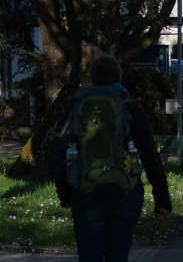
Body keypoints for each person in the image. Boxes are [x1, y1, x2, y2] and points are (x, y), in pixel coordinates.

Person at [55, 57, 172, 262]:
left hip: (85, 192)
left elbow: (60, 153)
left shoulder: (76, 107)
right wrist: (162, 198)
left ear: (92, 78)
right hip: (125, 192)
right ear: (119, 77)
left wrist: (65, 193)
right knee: (118, 254)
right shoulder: (129, 107)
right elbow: (150, 155)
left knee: (89, 255)